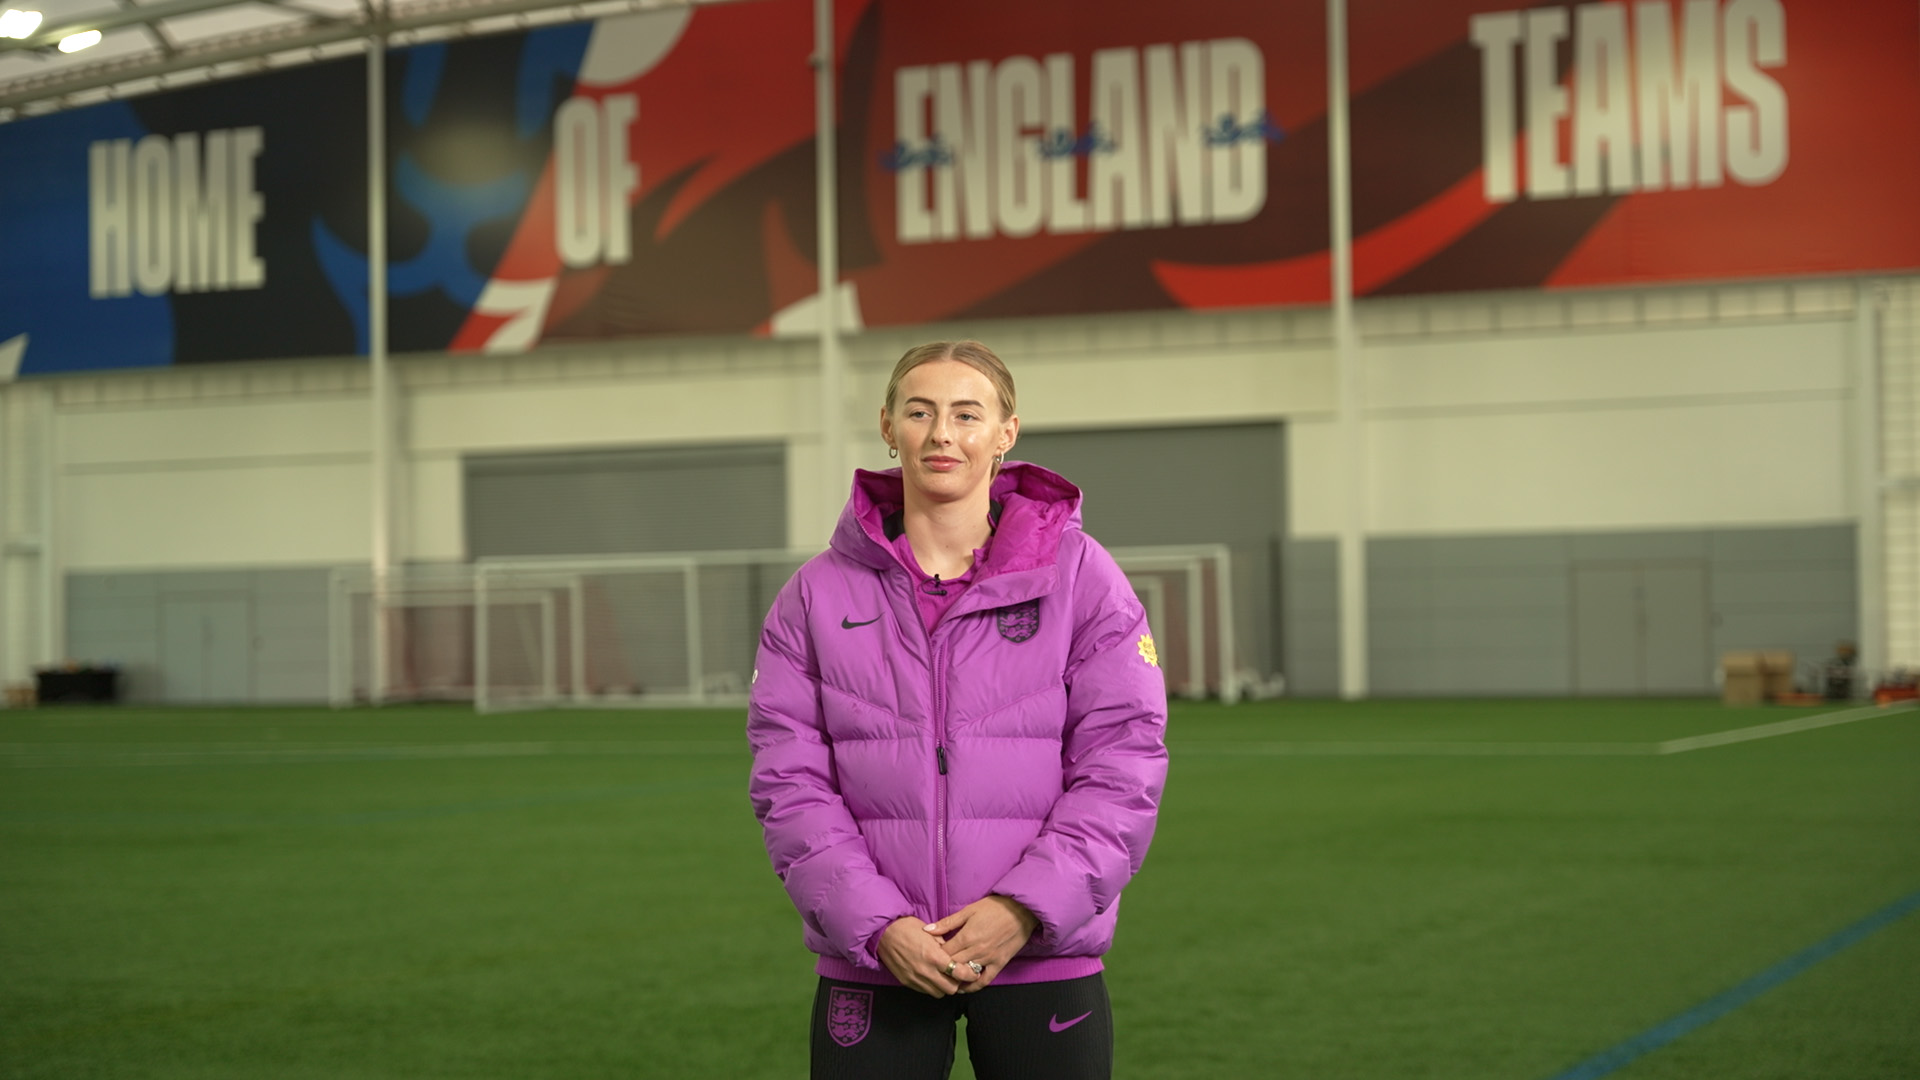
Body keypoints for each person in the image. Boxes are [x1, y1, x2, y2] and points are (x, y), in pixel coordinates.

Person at [747, 340, 1170, 1079]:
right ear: (888, 427)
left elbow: (1123, 764)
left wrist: (1024, 909)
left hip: (1041, 956)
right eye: (920, 412)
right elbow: (789, 783)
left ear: (1007, 432)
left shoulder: (1084, 578)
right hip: (878, 963)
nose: (942, 433)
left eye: (967, 414)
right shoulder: (813, 595)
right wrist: (879, 925)